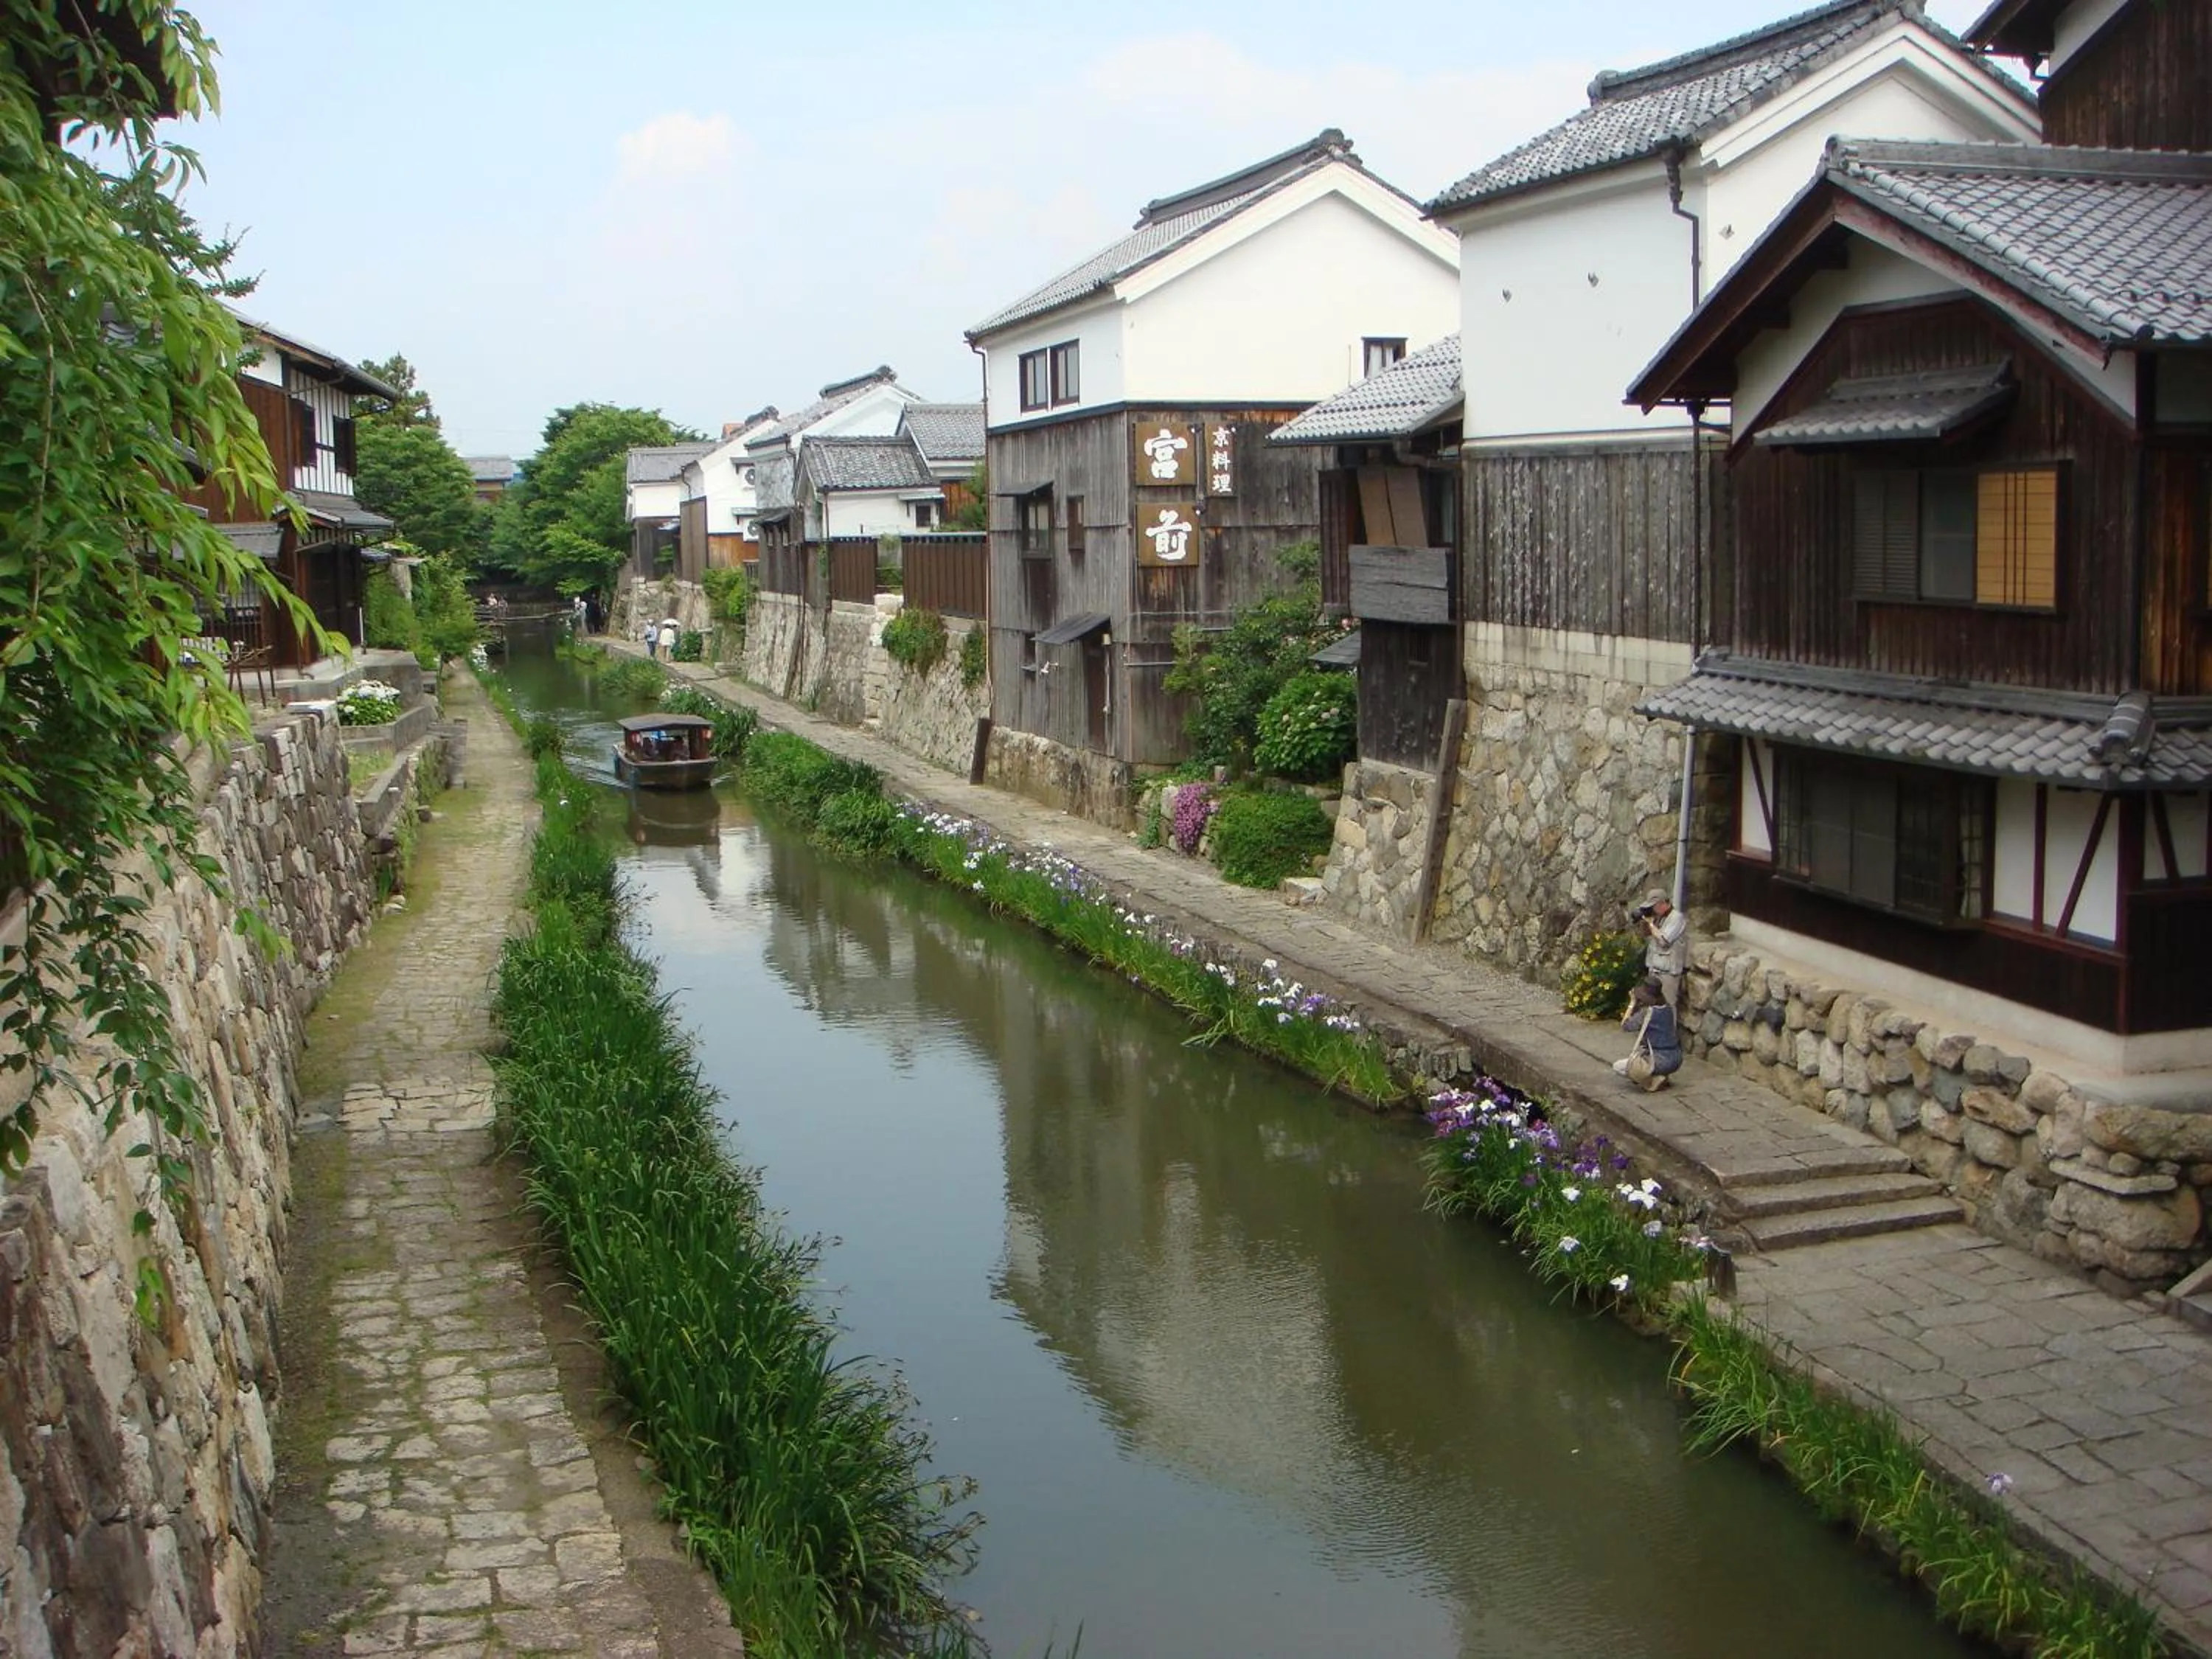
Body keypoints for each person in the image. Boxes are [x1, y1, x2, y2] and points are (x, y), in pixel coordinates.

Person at [1613, 978, 1683, 1091]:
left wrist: (1632, 1003)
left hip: (1658, 1060)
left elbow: (1625, 1026)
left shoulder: (1647, 1013)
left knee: (1618, 1067)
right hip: (1676, 1058)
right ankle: (1662, 1075)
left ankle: (1653, 1080)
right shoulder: (1668, 1008)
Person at [1637, 887, 1688, 1013]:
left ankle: (1669, 1032)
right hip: (1654, 967)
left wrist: (1651, 924)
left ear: (1662, 904)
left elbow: (1664, 941)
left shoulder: (1677, 918)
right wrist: (1645, 922)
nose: (1652, 910)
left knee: (1668, 1006)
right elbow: (1645, 935)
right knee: (1652, 1004)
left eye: (1653, 906)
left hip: (1669, 972)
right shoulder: (1658, 917)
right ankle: (1655, 1031)